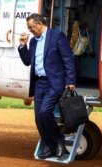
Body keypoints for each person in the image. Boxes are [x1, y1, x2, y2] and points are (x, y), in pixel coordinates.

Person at [18, 13, 76, 159]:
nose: (30, 30)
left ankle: (59, 140)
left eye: (31, 27)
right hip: (39, 83)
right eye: (29, 28)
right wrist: (22, 45)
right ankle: (51, 146)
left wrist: (71, 80)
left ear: (39, 24)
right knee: (38, 118)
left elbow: (68, 58)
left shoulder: (57, 36)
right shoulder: (33, 41)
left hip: (54, 82)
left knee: (45, 113)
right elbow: (27, 61)